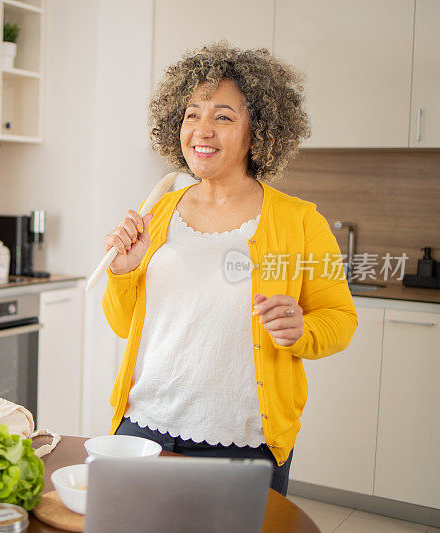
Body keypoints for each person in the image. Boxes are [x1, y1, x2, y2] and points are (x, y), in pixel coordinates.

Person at [101, 42, 357, 496]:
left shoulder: (299, 222)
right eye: (192, 114)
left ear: (257, 133)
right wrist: (122, 272)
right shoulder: (156, 212)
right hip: (144, 425)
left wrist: (302, 331)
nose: (202, 129)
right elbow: (125, 326)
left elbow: (340, 319)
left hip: (243, 441)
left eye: (223, 116)